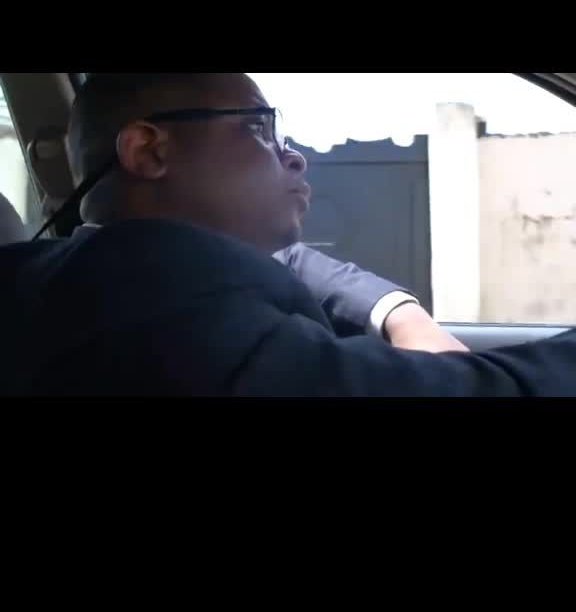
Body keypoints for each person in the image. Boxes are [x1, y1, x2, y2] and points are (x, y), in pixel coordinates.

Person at [1, 71, 574, 397]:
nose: (294, 157)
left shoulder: (93, 281)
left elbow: (290, 262)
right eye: (259, 127)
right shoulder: (161, 304)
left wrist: (400, 312)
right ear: (150, 150)